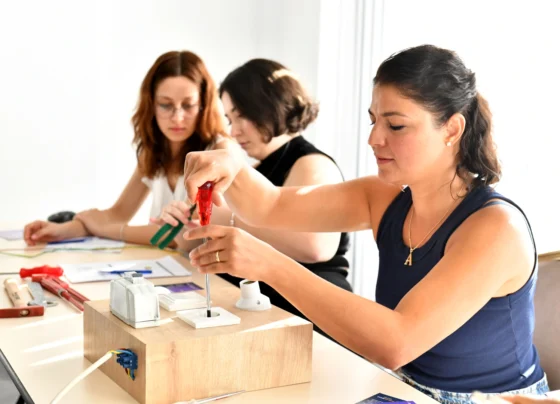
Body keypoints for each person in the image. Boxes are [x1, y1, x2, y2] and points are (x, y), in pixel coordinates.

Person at [180, 45, 549, 402]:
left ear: (452, 129)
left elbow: (396, 342)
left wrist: (269, 265)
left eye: (396, 125)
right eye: (374, 121)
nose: (374, 139)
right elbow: (269, 206)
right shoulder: (383, 197)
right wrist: (230, 163)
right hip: (400, 390)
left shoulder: (497, 229)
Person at [154, 58, 352, 324]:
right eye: (229, 119)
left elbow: (314, 246)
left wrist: (226, 219)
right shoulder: (255, 170)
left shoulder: (311, 163)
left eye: (241, 116)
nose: (233, 131)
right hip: (255, 306)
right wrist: (185, 226)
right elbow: (209, 239)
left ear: (270, 107)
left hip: (308, 314)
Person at [23, 50, 227, 246]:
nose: (177, 117)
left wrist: (107, 230)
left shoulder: (219, 153)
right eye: (166, 105)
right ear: (151, 104)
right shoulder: (154, 150)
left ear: (203, 104)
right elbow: (118, 214)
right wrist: (63, 229)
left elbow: (176, 235)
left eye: (188, 105)